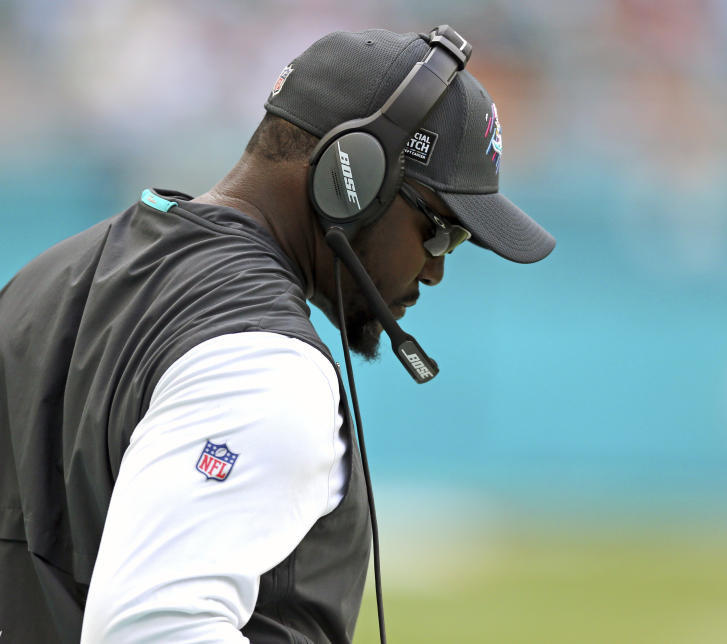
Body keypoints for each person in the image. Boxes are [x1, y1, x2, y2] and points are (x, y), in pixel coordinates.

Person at [0, 27, 554, 644]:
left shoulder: (41, 281)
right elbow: (155, 629)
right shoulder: (262, 362)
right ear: (355, 178)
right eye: (439, 230)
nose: (437, 267)